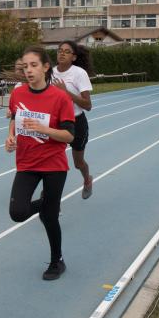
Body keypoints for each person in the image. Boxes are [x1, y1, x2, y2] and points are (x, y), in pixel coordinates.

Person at [6, 46, 75, 280]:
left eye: (34, 65)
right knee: (17, 213)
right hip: (27, 163)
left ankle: (57, 261)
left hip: (54, 165)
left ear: (46, 67)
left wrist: (45, 129)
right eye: (25, 66)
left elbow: (69, 136)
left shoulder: (60, 98)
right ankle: (46, 202)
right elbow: (15, 118)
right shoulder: (18, 94)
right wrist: (10, 136)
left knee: (50, 217)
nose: (28, 70)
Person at [52, 40, 94, 199]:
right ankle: (49, 192)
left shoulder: (79, 73)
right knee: (52, 160)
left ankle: (87, 179)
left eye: (66, 51)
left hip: (76, 122)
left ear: (74, 57)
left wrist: (66, 93)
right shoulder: (50, 73)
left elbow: (88, 105)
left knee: (78, 163)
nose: (62, 53)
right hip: (57, 123)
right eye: (59, 50)